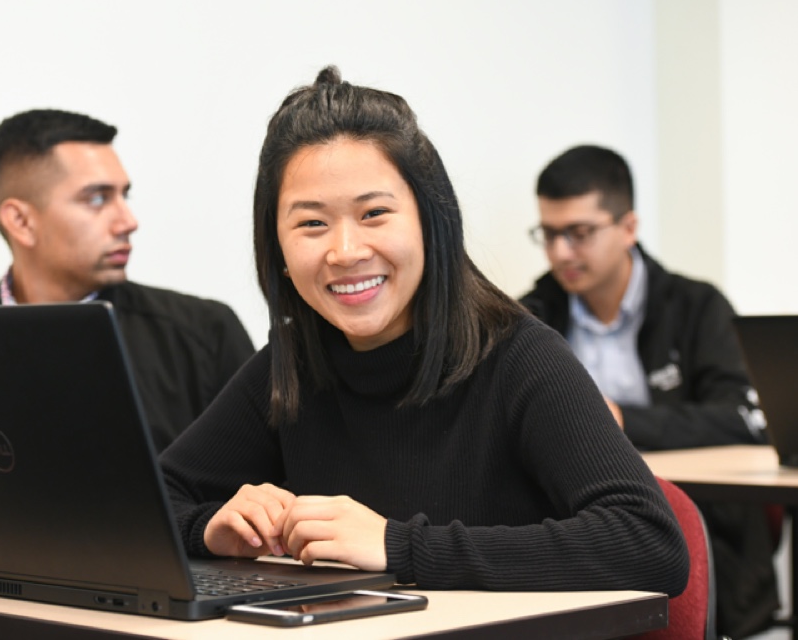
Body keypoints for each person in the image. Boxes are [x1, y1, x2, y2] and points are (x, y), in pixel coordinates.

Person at [159, 67, 689, 596]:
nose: (345, 251)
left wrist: (399, 548)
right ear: (278, 249)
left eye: (374, 213)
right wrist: (208, 528)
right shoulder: (294, 362)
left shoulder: (521, 357)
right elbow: (149, 499)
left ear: (431, 223)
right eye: (312, 224)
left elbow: (649, 542)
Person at [520, 144, 776, 638]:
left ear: (629, 228)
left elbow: (745, 416)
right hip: (577, 530)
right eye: (548, 235)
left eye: (579, 234)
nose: (560, 253)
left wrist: (621, 422)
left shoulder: (697, 307)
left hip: (702, 531)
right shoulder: (531, 316)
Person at [0, 109, 255, 453]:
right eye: (97, 199)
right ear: (21, 221)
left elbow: (268, 487)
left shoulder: (204, 334)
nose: (128, 221)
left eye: (124, 195)